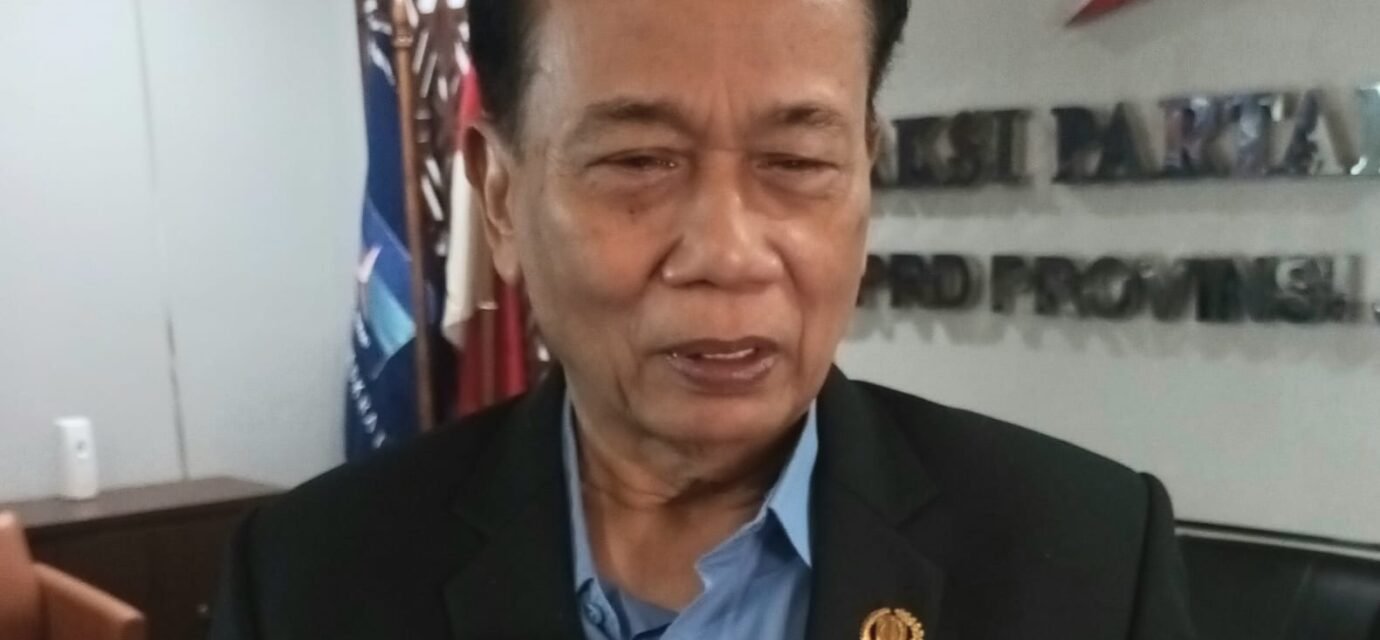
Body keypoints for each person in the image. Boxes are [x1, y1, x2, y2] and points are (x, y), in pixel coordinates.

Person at [209, 0, 1196, 638]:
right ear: (501, 200)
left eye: (797, 163)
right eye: (639, 161)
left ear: (865, 174)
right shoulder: (309, 581)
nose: (728, 252)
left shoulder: (1091, 563)